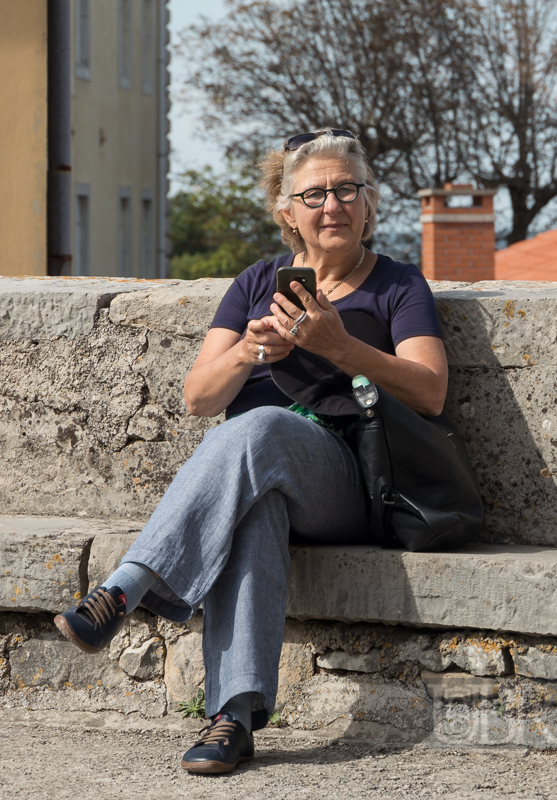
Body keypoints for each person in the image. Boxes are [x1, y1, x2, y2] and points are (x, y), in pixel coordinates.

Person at [51, 129, 447, 774]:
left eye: (347, 190)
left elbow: (430, 392)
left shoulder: (398, 287)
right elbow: (199, 398)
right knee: (255, 502)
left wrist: (339, 346)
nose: (332, 206)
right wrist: (247, 351)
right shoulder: (257, 282)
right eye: (314, 194)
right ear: (286, 213)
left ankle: (125, 587)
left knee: (260, 426)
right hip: (259, 476)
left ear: (369, 204)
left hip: (350, 482)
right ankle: (232, 716)